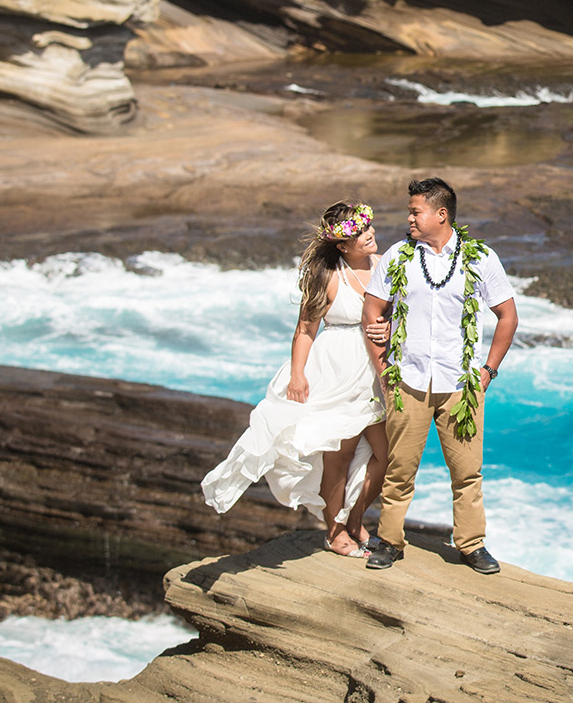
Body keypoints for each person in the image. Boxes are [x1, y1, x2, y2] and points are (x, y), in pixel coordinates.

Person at [201, 201, 391, 558]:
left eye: (369, 227)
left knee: (386, 455)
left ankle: (355, 517)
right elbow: (305, 329)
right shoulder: (330, 276)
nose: (370, 234)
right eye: (360, 232)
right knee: (340, 452)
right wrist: (298, 374)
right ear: (342, 245)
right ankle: (335, 530)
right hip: (339, 367)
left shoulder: (384, 267)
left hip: (376, 365)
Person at [360, 177, 518, 573]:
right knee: (399, 469)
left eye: (416, 211)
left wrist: (487, 371)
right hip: (408, 380)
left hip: (461, 385)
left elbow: (507, 315)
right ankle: (389, 542)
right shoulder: (397, 256)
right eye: (411, 211)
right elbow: (372, 311)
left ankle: (471, 544)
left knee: (467, 472)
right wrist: (384, 370)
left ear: (441, 215)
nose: (409, 218)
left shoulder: (480, 258)